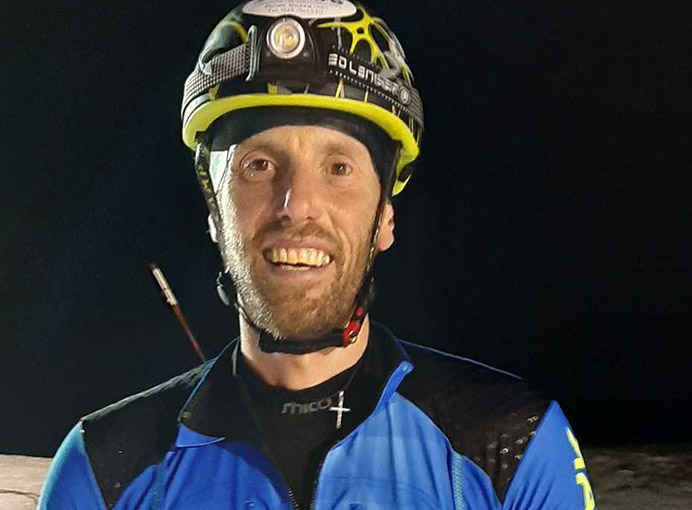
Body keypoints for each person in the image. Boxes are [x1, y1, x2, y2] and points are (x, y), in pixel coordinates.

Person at [39, 1, 596, 509]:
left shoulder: (511, 447)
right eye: (259, 165)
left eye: (339, 168)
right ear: (215, 212)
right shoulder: (103, 470)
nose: (297, 206)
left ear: (385, 217)